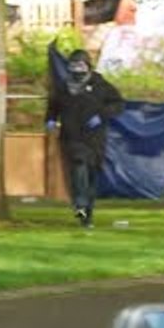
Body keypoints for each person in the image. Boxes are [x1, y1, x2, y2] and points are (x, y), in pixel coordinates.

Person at [45, 49, 124, 228]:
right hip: (71, 137)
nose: (77, 69)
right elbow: (53, 106)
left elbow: (118, 104)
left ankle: (87, 214)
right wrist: (50, 120)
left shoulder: (100, 85)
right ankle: (80, 203)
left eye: (80, 65)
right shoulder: (63, 87)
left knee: (91, 177)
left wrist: (101, 115)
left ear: (88, 66)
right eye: (73, 65)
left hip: (94, 138)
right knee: (78, 165)